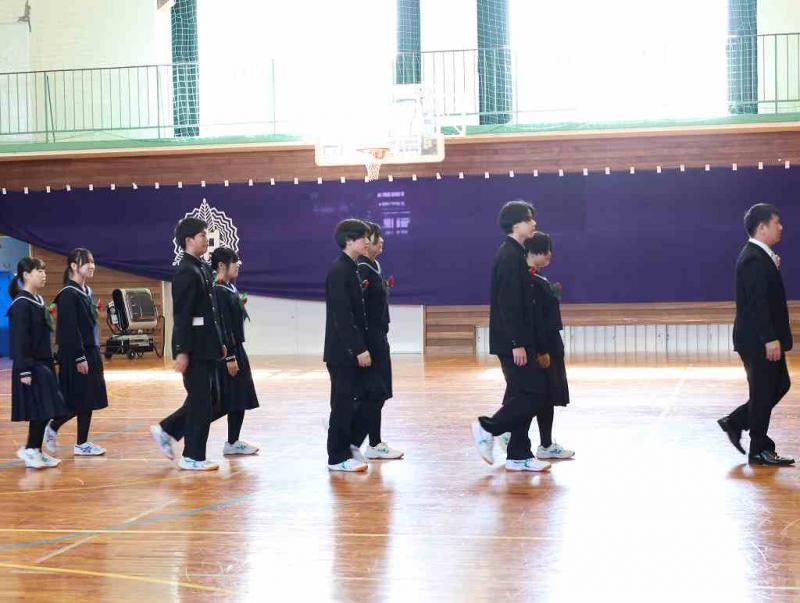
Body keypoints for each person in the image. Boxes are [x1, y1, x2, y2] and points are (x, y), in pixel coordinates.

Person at [471, 200, 551, 472]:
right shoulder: (508, 255)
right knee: (534, 392)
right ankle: (488, 427)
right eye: (529, 219)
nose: (534, 223)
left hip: (519, 339)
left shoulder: (517, 253)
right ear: (516, 224)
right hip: (512, 342)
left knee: (520, 394)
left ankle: (518, 455)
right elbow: (508, 304)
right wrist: (517, 343)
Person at [719, 203, 794, 465]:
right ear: (762, 228)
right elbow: (757, 302)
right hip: (758, 340)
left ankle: (736, 421)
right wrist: (769, 338)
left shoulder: (760, 256)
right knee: (763, 392)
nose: (781, 227)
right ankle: (759, 448)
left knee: (780, 384)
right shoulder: (753, 258)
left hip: (760, 337)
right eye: (776, 223)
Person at [150, 217, 227, 471]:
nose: (206, 239)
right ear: (189, 240)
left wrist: (219, 341)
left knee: (210, 400)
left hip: (207, 346)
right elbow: (183, 315)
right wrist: (182, 351)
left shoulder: (201, 267)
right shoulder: (185, 271)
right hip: (194, 349)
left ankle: (167, 429)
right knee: (201, 402)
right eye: (202, 235)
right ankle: (192, 456)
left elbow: (209, 312)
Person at [46, 248, 108, 456]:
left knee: (89, 398)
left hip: (90, 351)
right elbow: (69, 330)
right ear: (74, 266)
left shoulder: (86, 291)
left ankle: (82, 444)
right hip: (75, 354)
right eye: (87, 262)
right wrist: (79, 357)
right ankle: (53, 425)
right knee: (76, 398)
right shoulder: (67, 294)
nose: (92, 265)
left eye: (93, 261)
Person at [7, 257, 69, 469]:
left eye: (44, 271)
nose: (44, 275)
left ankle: (35, 450)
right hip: (30, 366)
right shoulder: (21, 304)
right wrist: (24, 370)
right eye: (38, 271)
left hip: (44, 363)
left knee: (47, 409)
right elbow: (19, 340)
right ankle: (31, 450)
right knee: (41, 409)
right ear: (26, 275)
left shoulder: (38, 300)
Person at [351, 221, 403, 460]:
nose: (381, 240)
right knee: (373, 393)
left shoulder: (375, 266)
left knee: (378, 394)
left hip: (380, 337)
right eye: (376, 237)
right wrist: (360, 345)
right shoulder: (361, 269)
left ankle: (372, 442)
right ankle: (352, 438)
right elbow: (356, 309)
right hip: (369, 339)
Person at [324, 218, 372, 472]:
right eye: (363, 238)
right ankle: (336, 457)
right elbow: (342, 316)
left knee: (353, 402)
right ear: (349, 241)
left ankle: (346, 448)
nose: (367, 242)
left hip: (349, 351)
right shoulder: (339, 270)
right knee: (341, 404)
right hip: (341, 352)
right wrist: (358, 348)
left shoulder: (351, 268)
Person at [210, 247, 259, 456]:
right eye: (234, 262)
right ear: (222, 265)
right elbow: (223, 326)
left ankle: (232, 441)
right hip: (229, 351)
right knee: (220, 403)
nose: (238, 265)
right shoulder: (219, 291)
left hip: (238, 347)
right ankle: (176, 428)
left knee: (240, 396)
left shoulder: (230, 287)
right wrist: (230, 357)